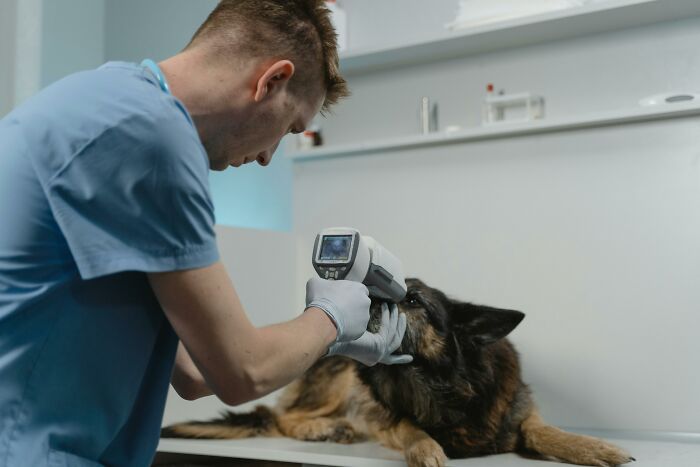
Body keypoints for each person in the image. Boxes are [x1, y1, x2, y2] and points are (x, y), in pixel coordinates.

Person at [0, 1, 411, 466]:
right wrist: (332, 316)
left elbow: (197, 374)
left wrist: (327, 340)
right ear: (272, 80)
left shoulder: (106, 102)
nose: (268, 157)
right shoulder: (152, 138)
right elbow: (243, 371)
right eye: (290, 127)